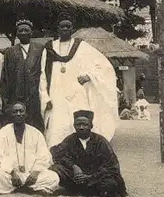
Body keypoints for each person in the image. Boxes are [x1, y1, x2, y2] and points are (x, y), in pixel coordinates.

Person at [39, 12, 118, 148]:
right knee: (57, 127)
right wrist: (45, 97)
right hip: (56, 94)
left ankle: (80, 156)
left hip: (77, 94)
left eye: (68, 26)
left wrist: (89, 76)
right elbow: (42, 75)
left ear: (72, 30)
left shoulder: (82, 46)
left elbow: (104, 66)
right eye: (62, 26)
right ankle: (57, 157)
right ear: (57, 29)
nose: (65, 29)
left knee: (78, 124)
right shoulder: (49, 48)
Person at [50, 110, 128, 197]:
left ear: (91, 126)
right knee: (55, 168)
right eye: (78, 125)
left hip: (95, 177)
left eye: (85, 124)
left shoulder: (101, 141)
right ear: (74, 126)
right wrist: (74, 166)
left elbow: (111, 165)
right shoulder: (70, 139)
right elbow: (58, 155)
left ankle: (76, 190)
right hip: (75, 177)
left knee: (110, 184)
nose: (81, 127)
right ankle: (85, 190)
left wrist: (90, 177)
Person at [0, 102, 60, 195]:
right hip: (10, 175)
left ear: (25, 114)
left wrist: (35, 172)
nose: (18, 114)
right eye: (15, 112)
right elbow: (0, 156)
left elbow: (44, 156)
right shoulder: (3, 132)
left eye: (21, 111)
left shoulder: (36, 133)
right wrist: (12, 172)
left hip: (31, 175)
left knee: (53, 176)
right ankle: (30, 188)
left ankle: (19, 188)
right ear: (11, 115)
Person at [1, 19, 45, 132]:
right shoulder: (10, 52)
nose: (24, 33)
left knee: (35, 125)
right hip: (16, 96)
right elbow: (5, 77)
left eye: (26, 30)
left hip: (34, 96)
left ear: (31, 33)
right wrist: (6, 102)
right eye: (21, 30)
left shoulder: (40, 49)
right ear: (17, 33)